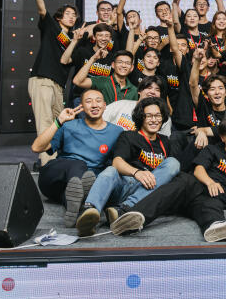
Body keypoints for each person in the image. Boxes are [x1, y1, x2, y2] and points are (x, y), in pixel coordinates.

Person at [110, 116, 226, 242]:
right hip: (196, 188)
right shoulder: (213, 150)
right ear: (222, 137)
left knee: (209, 205)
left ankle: (214, 227)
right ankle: (132, 218)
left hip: (216, 200)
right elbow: (199, 169)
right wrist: (210, 182)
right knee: (184, 179)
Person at [75, 98, 181, 236]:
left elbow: (168, 173)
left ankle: (123, 210)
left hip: (147, 190)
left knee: (173, 163)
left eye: (158, 115)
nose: (154, 120)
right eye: (148, 116)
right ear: (140, 118)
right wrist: (136, 173)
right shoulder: (128, 136)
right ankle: (89, 212)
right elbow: (117, 162)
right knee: (110, 170)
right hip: (124, 185)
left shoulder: (165, 141)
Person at [31, 88, 123, 227]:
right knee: (79, 165)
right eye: (88, 101)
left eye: (98, 101)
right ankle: (84, 200)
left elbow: (117, 162)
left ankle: (76, 210)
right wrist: (59, 121)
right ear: (81, 105)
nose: (94, 105)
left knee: (73, 192)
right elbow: (36, 148)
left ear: (105, 105)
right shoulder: (69, 125)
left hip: (77, 185)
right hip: (55, 177)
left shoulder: (116, 132)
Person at [27, 0, 78, 165]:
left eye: (74, 15)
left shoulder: (74, 40)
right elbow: (42, 10)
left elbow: (67, 61)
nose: (72, 17)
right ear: (59, 18)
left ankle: (60, 159)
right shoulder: (51, 27)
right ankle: (47, 164)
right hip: (42, 79)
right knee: (45, 123)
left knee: (63, 124)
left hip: (58, 86)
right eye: (68, 14)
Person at [102, 75, 172, 136]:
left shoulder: (163, 116)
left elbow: (164, 142)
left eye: (157, 90)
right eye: (149, 88)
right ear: (139, 91)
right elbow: (99, 121)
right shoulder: (120, 105)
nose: (152, 92)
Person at [72, 49, 138, 105]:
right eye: (120, 62)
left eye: (127, 63)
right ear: (113, 65)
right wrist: (93, 59)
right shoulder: (103, 81)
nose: (123, 65)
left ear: (131, 68)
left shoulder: (134, 90)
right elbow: (77, 81)